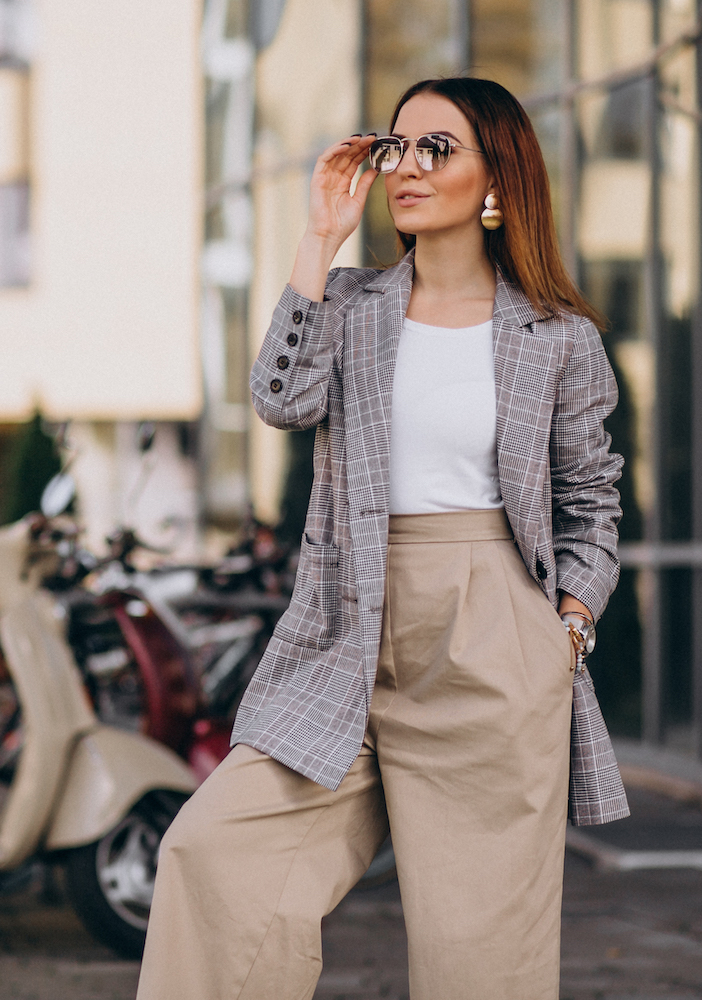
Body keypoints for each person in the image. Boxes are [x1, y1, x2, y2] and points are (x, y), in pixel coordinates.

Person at [136, 77, 626, 1000]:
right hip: (344, 628)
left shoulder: (558, 337)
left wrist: (566, 629)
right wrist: (319, 237)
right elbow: (281, 400)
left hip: (494, 640)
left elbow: (590, 503)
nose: (407, 165)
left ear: (497, 181)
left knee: (481, 959)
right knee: (214, 856)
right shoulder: (353, 304)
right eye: (397, 145)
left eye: (438, 148)